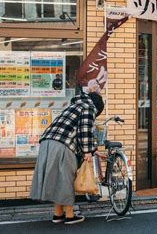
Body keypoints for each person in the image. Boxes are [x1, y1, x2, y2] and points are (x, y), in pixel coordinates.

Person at [30, 91, 104, 225]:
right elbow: (84, 131)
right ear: (98, 107)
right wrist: (88, 152)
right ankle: (70, 216)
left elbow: (78, 130)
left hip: (48, 143)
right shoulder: (89, 107)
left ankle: (58, 214)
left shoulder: (77, 105)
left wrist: (94, 150)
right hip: (63, 145)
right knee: (66, 179)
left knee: (57, 179)